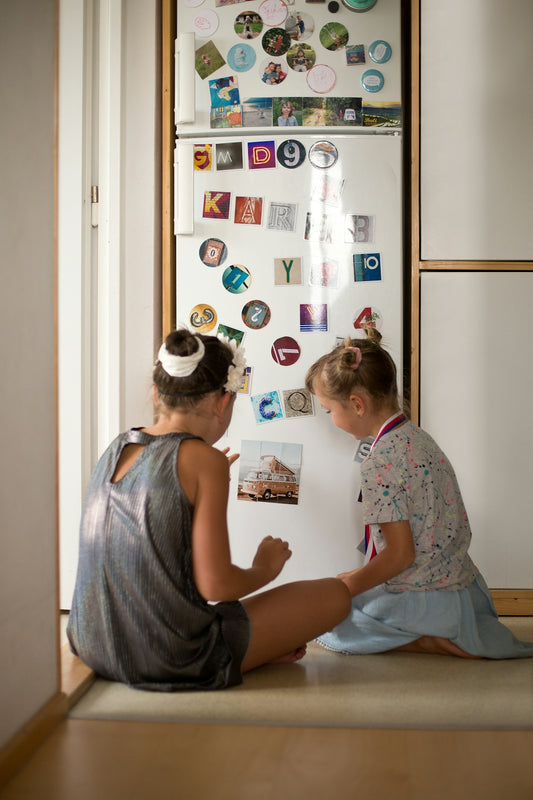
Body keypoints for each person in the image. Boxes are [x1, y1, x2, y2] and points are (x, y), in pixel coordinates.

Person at [67, 329, 351, 691]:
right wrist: (265, 567)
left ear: (157, 393)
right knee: (335, 595)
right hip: (169, 656)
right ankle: (243, 653)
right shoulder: (204, 461)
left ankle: (256, 650)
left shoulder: (119, 444)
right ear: (223, 402)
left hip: (92, 643)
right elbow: (218, 584)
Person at [305, 327, 533, 659]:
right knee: (346, 583)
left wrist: (346, 588)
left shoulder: (378, 462)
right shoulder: (418, 438)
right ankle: (443, 630)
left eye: (329, 410)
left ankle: (422, 639)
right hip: (464, 593)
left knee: (326, 621)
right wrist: (352, 576)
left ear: (356, 404)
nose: (331, 420)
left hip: (424, 601)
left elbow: (400, 556)